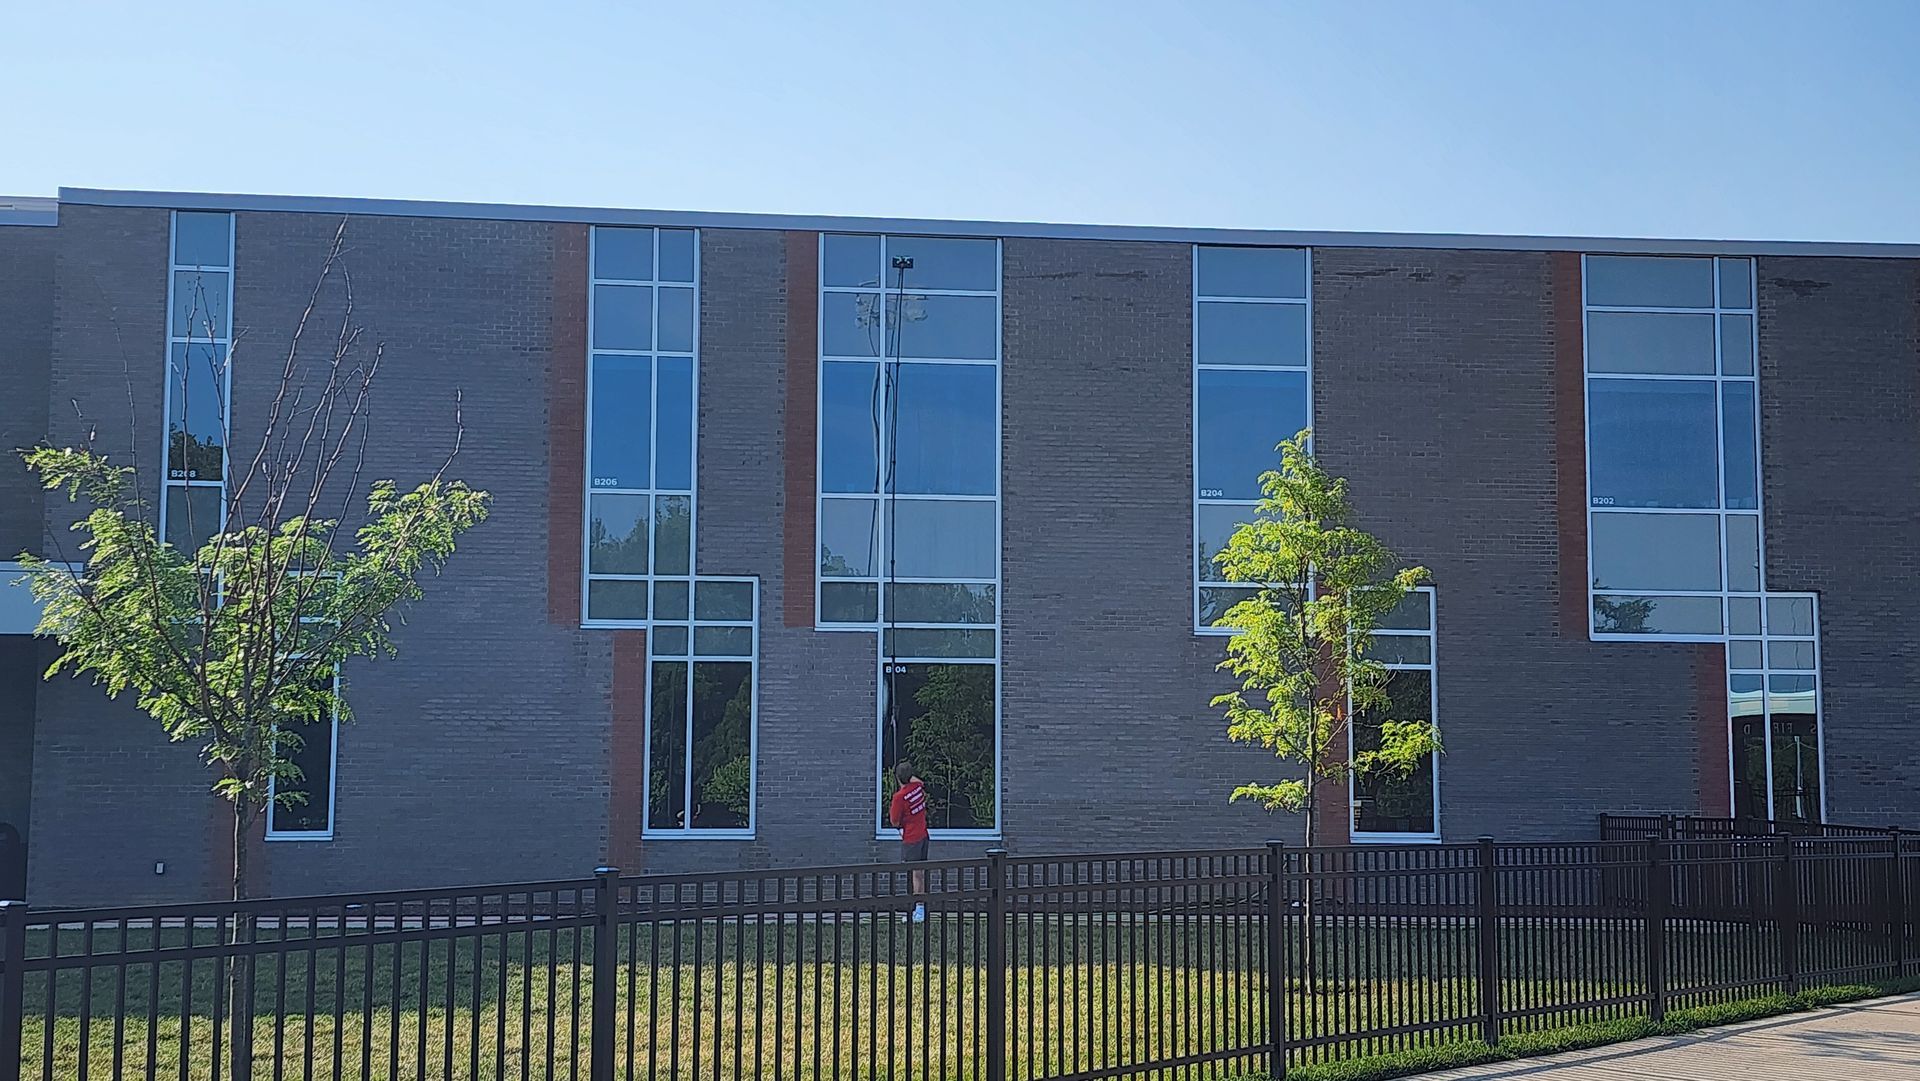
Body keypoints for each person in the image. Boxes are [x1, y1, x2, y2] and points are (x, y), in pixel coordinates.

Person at [888, 761, 929, 922]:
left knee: (915, 874)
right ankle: (919, 907)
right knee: (920, 873)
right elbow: (919, 782)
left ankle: (919, 911)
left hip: (911, 839)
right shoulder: (918, 788)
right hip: (924, 835)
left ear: (897, 777)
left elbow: (894, 821)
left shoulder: (899, 797)